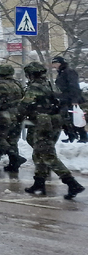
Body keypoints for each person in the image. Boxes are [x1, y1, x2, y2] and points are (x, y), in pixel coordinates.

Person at [21, 61, 84, 200]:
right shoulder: (50, 84)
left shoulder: (34, 87)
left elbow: (24, 106)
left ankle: (72, 183)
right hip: (54, 122)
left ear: (31, 74)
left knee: (47, 154)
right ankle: (39, 183)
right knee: (39, 154)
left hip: (43, 124)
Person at [51, 55, 87, 143]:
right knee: (65, 119)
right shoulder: (62, 72)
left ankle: (82, 137)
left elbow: (74, 86)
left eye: (55, 63)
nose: (53, 65)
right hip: (65, 99)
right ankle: (71, 135)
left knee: (76, 118)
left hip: (71, 99)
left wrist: (75, 100)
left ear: (60, 63)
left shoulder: (68, 72)